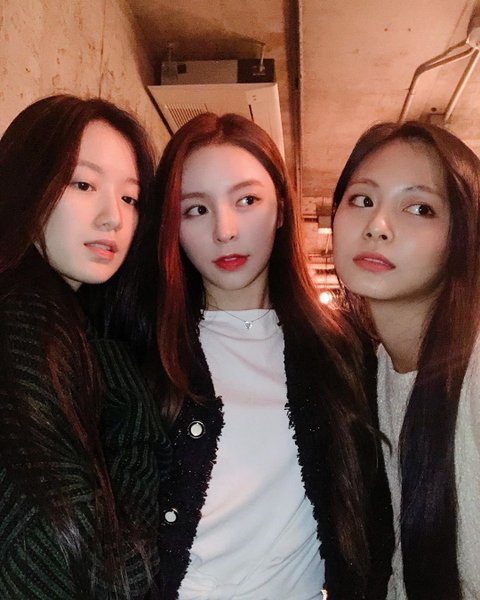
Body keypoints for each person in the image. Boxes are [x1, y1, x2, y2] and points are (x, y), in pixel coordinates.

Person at [150, 112, 393, 599]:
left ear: (281, 209)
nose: (225, 230)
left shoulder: (340, 348)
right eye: (195, 209)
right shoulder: (145, 352)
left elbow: (373, 511)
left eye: (247, 200)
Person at [0, 94, 170, 599]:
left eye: (130, 198)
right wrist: (136, 421)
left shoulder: (65, 319)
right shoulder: (26, 320)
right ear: (28, 184)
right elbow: (95, 571)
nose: (112, 218)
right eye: (83, 184)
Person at [332, 120, 480, 600]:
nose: (377, 225)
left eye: (419, 208)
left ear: (464, 237)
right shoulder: (374, 370)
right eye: (362, 199)